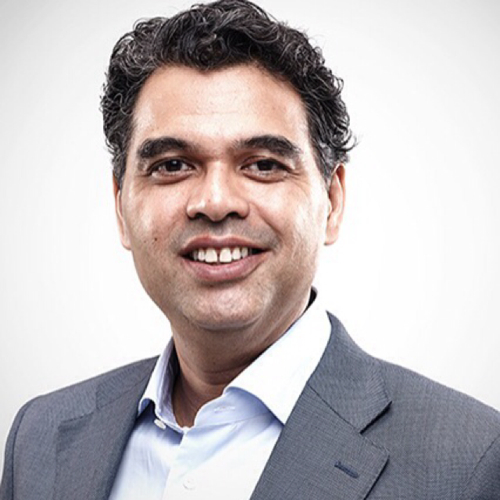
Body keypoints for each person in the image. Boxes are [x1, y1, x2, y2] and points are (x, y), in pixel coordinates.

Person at [1, 0, 500, 498]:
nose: (215, 202)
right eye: (172, 165)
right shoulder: (39, 441)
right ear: (120, 206)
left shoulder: (469, 461)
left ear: (332, 202)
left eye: (263, 165)